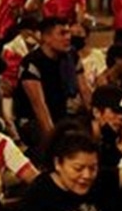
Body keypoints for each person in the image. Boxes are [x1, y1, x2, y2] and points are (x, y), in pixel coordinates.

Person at [13, 17, 76, 153]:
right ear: (46, 38)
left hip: (61, 116)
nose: (68, 37)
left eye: (69, 33)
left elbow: (85, 90)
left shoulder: (70, 56)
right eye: (62, 33)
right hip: (33, 120)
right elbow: (39, 106)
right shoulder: (32, 63)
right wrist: (55, 141)